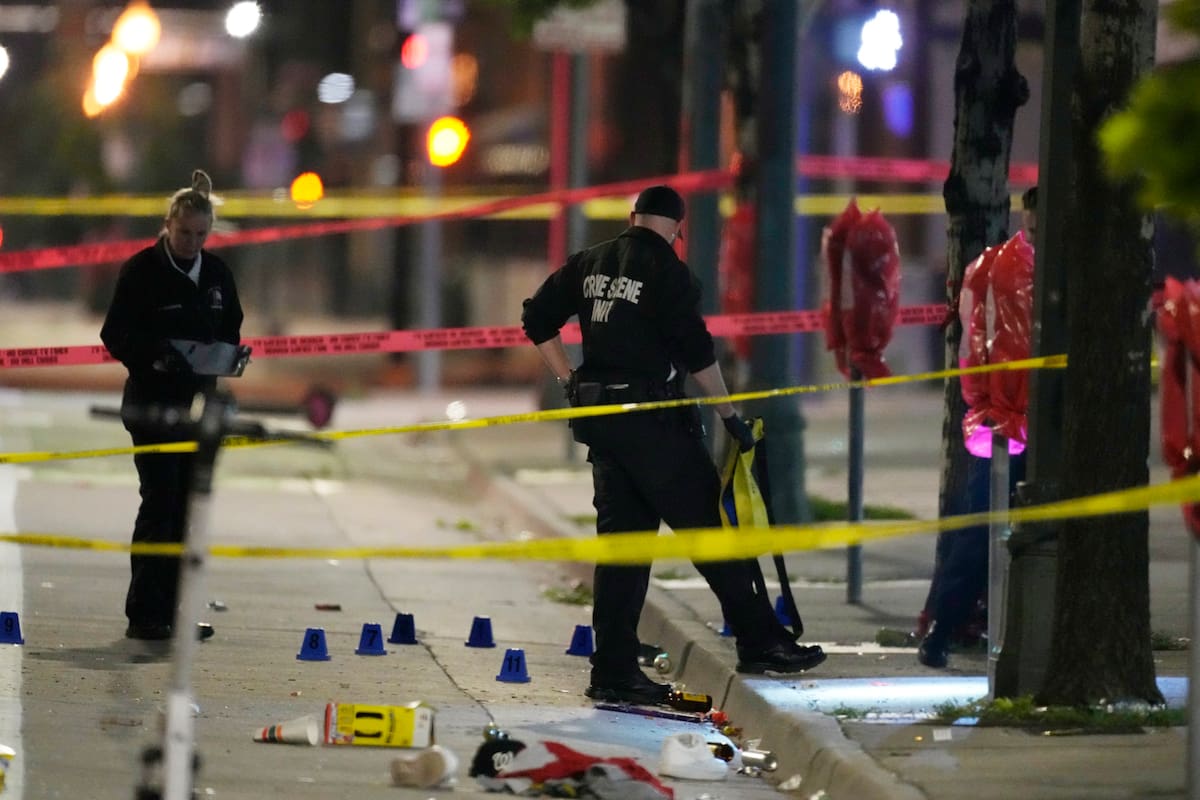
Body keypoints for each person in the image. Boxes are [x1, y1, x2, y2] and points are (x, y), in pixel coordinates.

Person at [521, 185, 826, 705]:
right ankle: (760, 641)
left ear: (632, 216)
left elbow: (536, 317)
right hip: (656, 425)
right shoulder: (670, 273)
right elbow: (697, 352)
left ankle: (613, 669)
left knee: (622, 550)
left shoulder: (590, 262)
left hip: (603, 422)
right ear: (678, 230)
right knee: (710, 530)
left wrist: (569, 378)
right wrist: (729, 414)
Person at [101, 169, 244, 642]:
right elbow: (115, 334)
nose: (191, 242)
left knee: (188, 510)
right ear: (168, 224)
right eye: (184, 233)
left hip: (201, 408)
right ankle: (146, 615)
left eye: (201, 235)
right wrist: (158, 354)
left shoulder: (218, 275)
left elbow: (230, 329)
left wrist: (230, 356)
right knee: (159, 503)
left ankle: (178, 613)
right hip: (153, 407)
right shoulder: (141, 272)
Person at [915, 186, 1037, 668]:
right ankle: (944, 629)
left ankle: (962, 630)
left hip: (1034, 419)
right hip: (1005, 422)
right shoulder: (995, 268)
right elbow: (974, 342)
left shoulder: (1053, 268)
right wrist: (985, 407)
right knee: (978, 533)